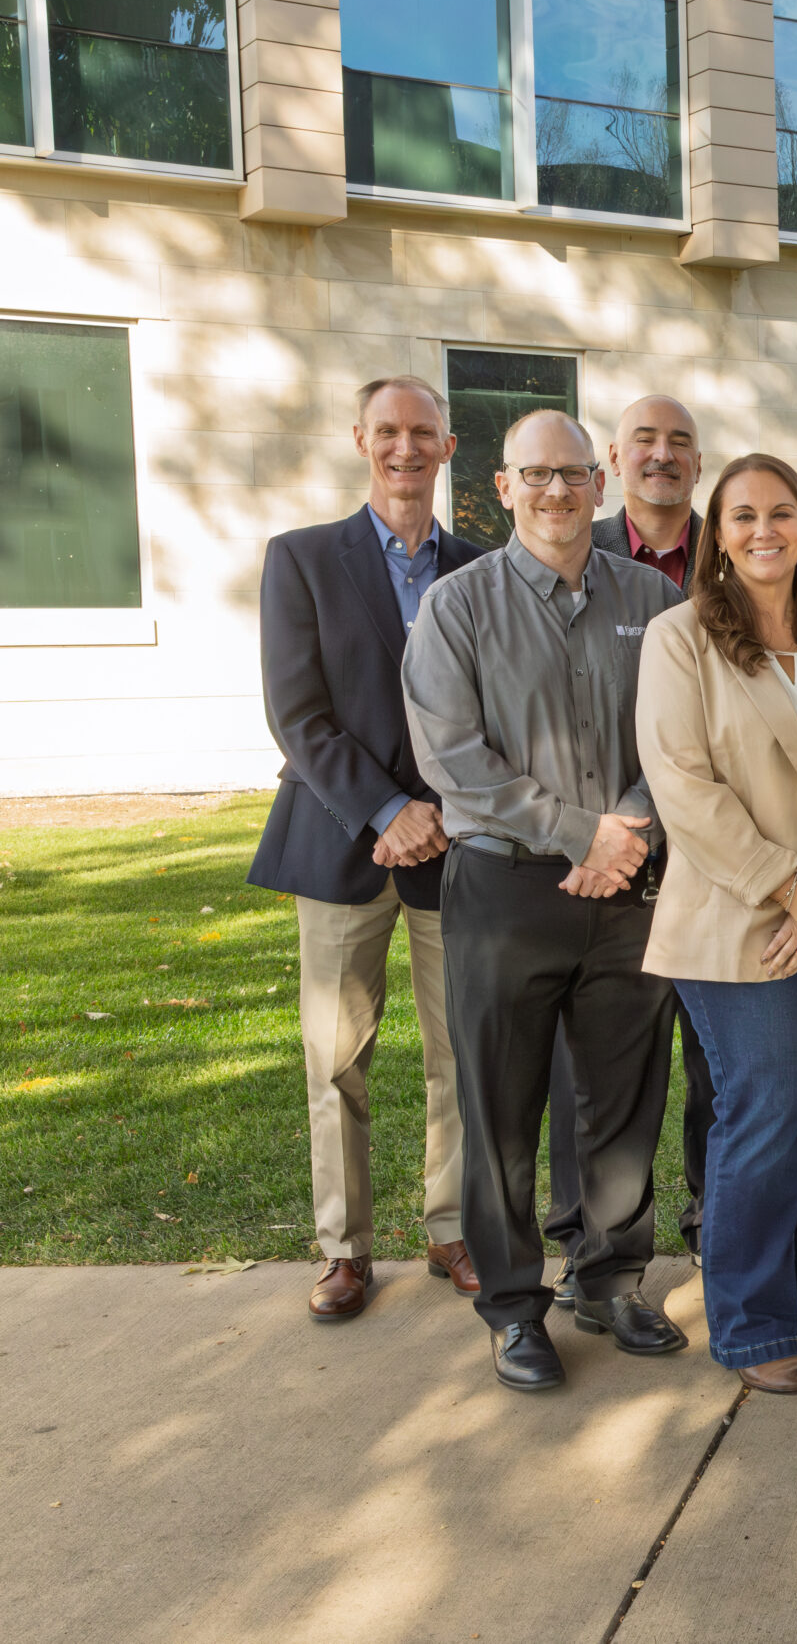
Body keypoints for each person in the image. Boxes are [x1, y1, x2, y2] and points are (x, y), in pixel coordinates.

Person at [402, 408, 687, 1392]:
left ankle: (607, 1283)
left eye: (573, 475)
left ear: (600, 486)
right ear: (500, 486)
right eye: (537, 476)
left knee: (620, 1100)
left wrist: (631, 830)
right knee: (502, 1105)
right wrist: (583, 833)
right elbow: (452, 760)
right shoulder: (458, 605)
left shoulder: (652, 598)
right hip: (506, 892)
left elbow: (681, 737)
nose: (558, 492)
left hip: (629, 890)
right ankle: (515, 1307)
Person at [635, 454, 797, 1395]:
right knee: (759, 1118)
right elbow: (683, 786)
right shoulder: (681, 638)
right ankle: (749, 1325)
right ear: (717, 533)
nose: (762, 529)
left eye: (780, 512)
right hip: (735, 918)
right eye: (740, 515)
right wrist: (792, 888)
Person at [251, 375, 487, 1321]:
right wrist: (387, 808)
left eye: (421, 432)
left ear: (448, 445)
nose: (404, 448)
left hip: (454, 848)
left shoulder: (480, 565)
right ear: (361, 439)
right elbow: (297, 716)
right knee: (337, 1057)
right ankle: (345, 1249)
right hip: (345, 840)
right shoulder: (302, 559)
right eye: (387, 431)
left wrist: (439, 810)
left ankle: (453, 1228)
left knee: (459, 1052)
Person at [545, 394, 713, 1287]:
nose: (662, 456)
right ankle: (587, 1241)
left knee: (716, 1055)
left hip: (717, 851)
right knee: (602, 1065)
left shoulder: (738, 550)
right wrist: (611, 834)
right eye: (644, 440)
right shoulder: (575, 547)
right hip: (609, 858)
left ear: (699, 460)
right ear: (614, 457)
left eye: (679, 442)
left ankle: (708, 1215)